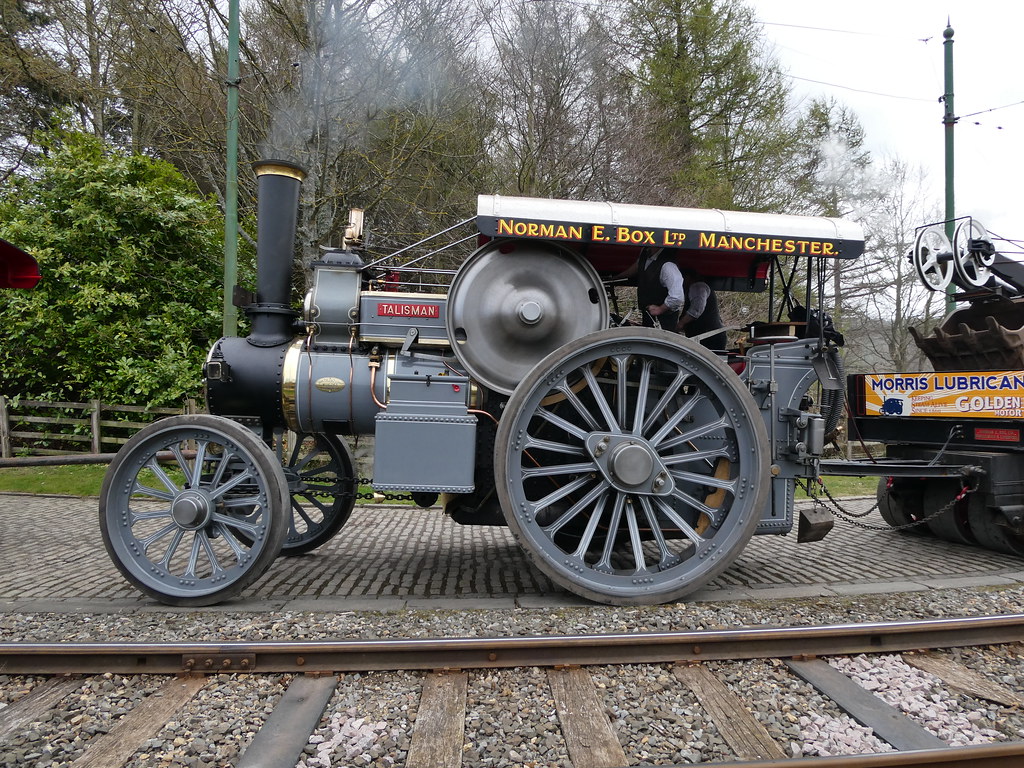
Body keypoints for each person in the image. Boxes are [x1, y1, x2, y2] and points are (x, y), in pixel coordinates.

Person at [611, 247, 684, 331]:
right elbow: (639, 265)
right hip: (648, 313)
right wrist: (617, 278)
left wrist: (660, 309)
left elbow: (677, 296)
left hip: (664, 320)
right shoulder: (646, 252)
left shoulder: (668, 266)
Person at [677, 268, 726, 350]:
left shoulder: (698, 287)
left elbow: (696, 309)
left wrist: (680, 324)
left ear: (688, 277)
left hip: (709, 337)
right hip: (706, 336)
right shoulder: (693, 288)